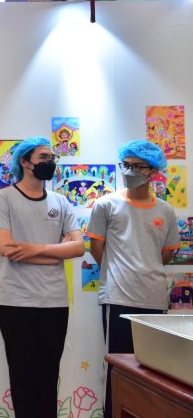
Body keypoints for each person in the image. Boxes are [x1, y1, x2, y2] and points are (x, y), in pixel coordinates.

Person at [0, 137, 84, 418]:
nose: (49, 162)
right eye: (43, 157)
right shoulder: (4, 199)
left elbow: (78, 248)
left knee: (48, 377)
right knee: (22, 378)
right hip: (15, 302)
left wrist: (34, 249)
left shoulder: (60, 201)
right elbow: (7, 249)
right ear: (24, 161)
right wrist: (57, 252)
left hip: (55, 303)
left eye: (52, 158)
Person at [87, 140, 179, 418]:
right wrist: (118, 271)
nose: (130, 171)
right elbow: (96, 248)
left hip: (154, 301)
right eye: (126, 165)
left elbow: (166, 255)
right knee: (117, 369)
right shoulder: (106, 204)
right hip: (118, 298)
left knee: (154, 374)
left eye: (138, 166)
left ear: (153, 171)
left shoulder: (166, 210)